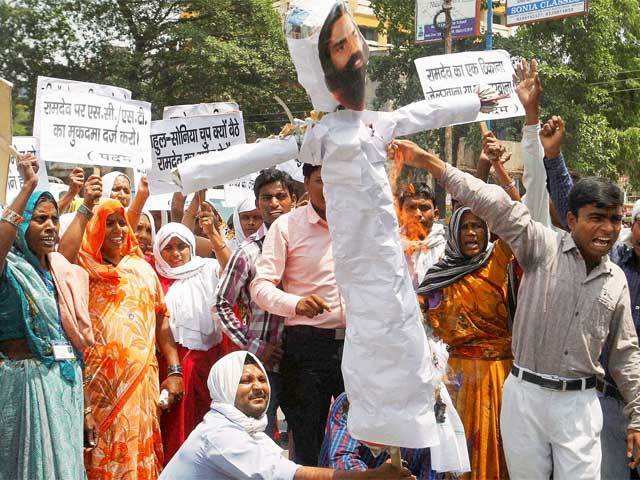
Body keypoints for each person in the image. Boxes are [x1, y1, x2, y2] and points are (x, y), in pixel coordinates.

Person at [389, 138, 640, 479]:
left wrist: (637, 416)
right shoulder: (541, 247)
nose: (608, 229)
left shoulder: (616, 280)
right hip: (524, 397)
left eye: (614, 219)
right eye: (596, 218)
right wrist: (429, 162)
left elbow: (626, 353)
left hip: (579, 404)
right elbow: (491, 201)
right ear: (570, 218)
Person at [542, 118, 640, 479]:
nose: (608, 227)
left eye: (613, 219)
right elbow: (579, 207)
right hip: (609, 400)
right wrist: (553, 157)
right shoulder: (612, 264)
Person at [160, 351, 413, 480]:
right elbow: (292, 475)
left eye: (262, 378)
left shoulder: (248, 431)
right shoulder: (219, 435)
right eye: (245, 381)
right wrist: (370, 477)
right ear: (225, 388)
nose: (259, 387)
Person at [0, 154, 97, 480]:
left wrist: (84, 410)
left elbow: (70, 342)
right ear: (23, 224)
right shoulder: (9, 270)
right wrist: (28, 186)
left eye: (55, 219)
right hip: (28, 388)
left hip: (64, 387)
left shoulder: (57, 271)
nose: (51, 226)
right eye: (40, 219)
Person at [79, 198, 185, 480]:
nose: (118, 229)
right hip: (98, 388)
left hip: (141, 384)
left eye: (122, 222)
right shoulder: (82, 271)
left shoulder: (142, 270)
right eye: (108, 222)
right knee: (98, 450)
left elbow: (162, 320)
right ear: (94, 228)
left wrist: (174, 370)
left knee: (140, 455)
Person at [251, 163, 346, 466]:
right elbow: (260, 287)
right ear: (306, 182)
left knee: (361, 437)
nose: (329, 186)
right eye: (321, 179)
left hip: (357, 345)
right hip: (307, 349)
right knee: (309, 441)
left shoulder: (358, 221)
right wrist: (296, 303)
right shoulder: (286, 226)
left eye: (336, 177)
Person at [214, 168, 296, 438]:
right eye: (265, 198)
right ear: (258, 203)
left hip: (307, 356)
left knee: (307, 437)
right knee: (259, 438)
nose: (274, 204)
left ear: (292, 200)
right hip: (265, 365)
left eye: (280, 196)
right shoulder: (248, 251)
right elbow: (220, 304)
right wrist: (255, 346)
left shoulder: (309, 245)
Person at [152, 222, 232, 464]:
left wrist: (216, 239)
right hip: (171, 363)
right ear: (159, 251)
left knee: (209, 426)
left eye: (182, 247)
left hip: (209, 360)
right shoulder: (154, 276)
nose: (176, 254)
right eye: (168, 248)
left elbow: (232, 273)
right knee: (177, 428)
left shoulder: (207, 268)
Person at [319, 393, 433, 478]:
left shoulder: (435, 424)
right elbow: (341, 462)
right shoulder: (354, 401)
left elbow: (432, 473)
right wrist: (377, 476)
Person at [396, 182, 445, 288]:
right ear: (400, 214)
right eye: (411, 207)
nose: (418, 214)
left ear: (436, 215)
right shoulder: (391, 248)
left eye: (424, 207)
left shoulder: (448, 250)